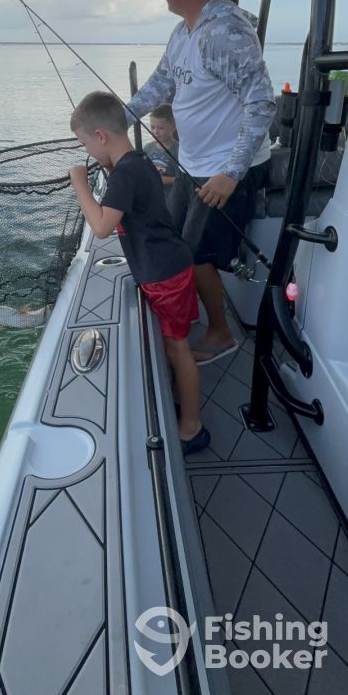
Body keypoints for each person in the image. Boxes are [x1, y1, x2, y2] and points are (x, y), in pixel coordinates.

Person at [127, 0, 276, 365]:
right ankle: (186, 314)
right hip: (191, 163)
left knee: (195, 255)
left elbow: (262, 103)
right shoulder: (184, 32)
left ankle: (220, 333)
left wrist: (231, 174)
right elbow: (161, 82)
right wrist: (118, 120)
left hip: (225, 170)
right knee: (173, 240)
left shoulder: (225, 32)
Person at [68, 90, 210, 455]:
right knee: (175, 345)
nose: (87, 152)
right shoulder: (138, 161)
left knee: (179, 348)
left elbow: (101, 226)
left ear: (101, 136)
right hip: (167, 266)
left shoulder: (125, 174)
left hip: (165, 274)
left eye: (85, 143)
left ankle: (192, 428)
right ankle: (179, 396)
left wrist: (80, 184)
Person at [144, 103, 179, 200]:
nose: (156, 131)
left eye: (161, 128)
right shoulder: (148, 148)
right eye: (152, 127)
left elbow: (183, 180)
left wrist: (163, 180)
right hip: (151, 199)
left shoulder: (179, 150)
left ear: (173, 127)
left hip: (172, 200)